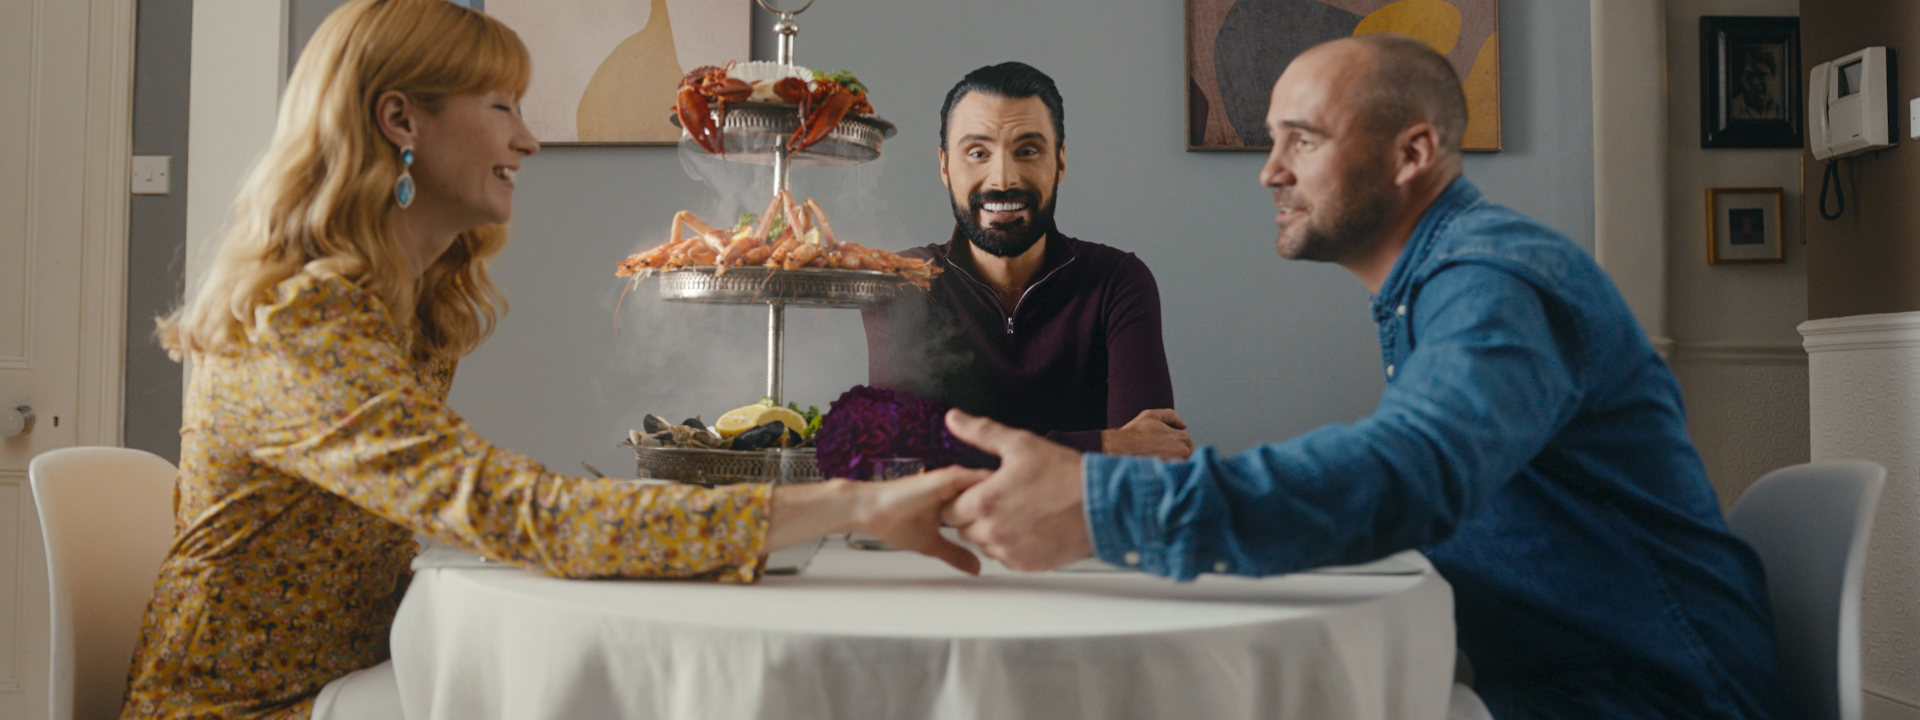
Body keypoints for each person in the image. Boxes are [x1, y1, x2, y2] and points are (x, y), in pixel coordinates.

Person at [126, 1, 983, 718]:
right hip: (251, 707)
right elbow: (519, 513)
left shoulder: (405, 306)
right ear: (399, 121)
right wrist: (849, 506)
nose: (529, 142)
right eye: (503, 107)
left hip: (349, 681)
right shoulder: (302, 323)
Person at [939, 35, 1792, 720]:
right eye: (1271, 141)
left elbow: (1406, 470)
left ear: (1412, 152)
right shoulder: (1435, 283)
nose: (1270, 171)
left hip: (1652, 692)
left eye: (1300, 141)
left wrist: (1102, 503)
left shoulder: (1493, 280)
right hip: (1558, 668)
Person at [861, 62, 1193, 461]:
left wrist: (967, 455)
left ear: (1061, 162)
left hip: (1085, 524)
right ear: (945, 166)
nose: (1003, 178)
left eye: (1028, 151)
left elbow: (1151, 460)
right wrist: (1106, 443)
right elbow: (901, 456)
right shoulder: (903, 283)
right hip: (947, 526)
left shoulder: (1117, 282)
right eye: (978, 152)